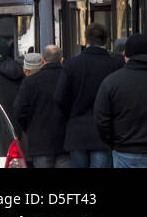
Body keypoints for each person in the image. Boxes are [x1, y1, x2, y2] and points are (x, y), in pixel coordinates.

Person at [55, 23, 121, 168]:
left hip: (77, 130)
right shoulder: (116, 65)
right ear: (106, 40)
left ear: (86, 41)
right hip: (105, 131)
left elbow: (60, 97)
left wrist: (71, 114)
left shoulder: (72, 64)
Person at [94, 33, 147, 168]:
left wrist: (113, 142)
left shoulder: (112, 81)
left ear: (126, 55)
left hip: (125, 149)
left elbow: (101, 119)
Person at [13, 46, 68, 168]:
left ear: (42, 60)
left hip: (40, 141)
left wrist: (29, 127)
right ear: (62, 60)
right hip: (65, 140)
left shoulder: (31, 82)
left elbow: (18, 110)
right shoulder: (69, 78)